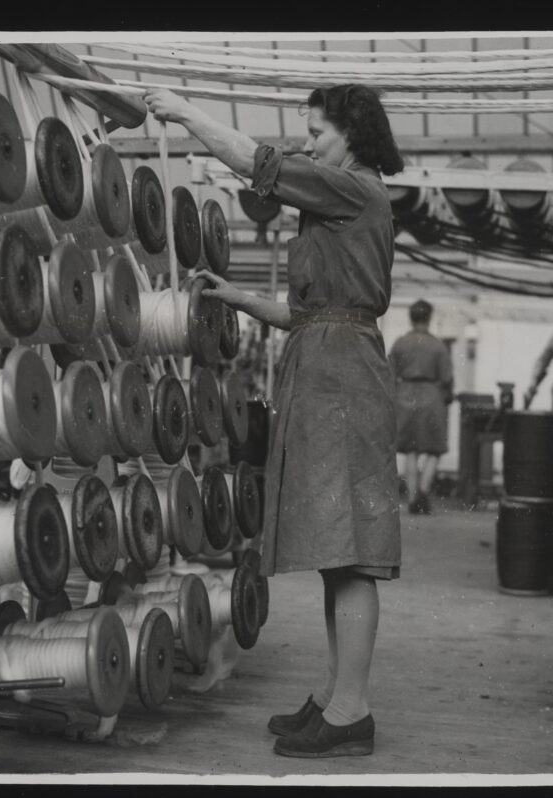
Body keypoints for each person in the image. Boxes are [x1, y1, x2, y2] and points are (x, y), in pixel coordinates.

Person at [143, 84, 404, 759]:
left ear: (351, 132)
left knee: (350, 555)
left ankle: (352, 709)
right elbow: (303, 314)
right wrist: (236, 296)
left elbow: (255, 162)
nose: (308, 139)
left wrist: (186, 112)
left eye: (317, 129)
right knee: (332, 551)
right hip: (323, 364)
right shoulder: (337, 203)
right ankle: (336, 694)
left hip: (343, 376)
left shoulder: (355, 188)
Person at [389, 299, 454, 515]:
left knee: (410, 450)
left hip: (405, 395)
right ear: (429, 317)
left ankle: (413, 496)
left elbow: (389, 373)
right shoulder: (438, 346)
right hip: (430, 397)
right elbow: (446, 378)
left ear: (411, 317)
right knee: (434, 448)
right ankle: (424, 492)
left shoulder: (400, 343)